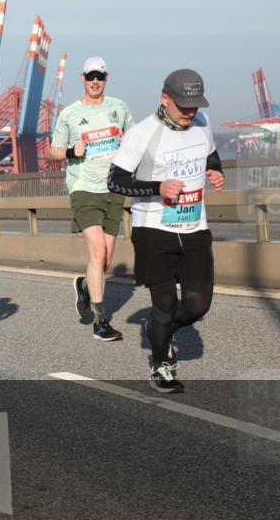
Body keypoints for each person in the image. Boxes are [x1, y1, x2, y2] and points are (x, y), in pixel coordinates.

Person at [108, 69, 224, 394]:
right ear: (164, 98)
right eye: (183, 105)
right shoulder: (142, 134)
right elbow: (116, 181)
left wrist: (215, 172)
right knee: (164, 305)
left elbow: (211, 155)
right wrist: (158, 186)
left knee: (198, 305)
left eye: (195, 105)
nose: (190, 112)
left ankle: (158, 329)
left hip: (195, 227)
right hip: (153, 230)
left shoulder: (202, 124)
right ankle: (162, 365)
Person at [49, 56, 135, 340]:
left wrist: (128, 143)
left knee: (106, 258)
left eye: (100, 76)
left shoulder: (119, 108)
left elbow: (135, 141)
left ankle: (84, 286)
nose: (95, 81)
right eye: (90, 76)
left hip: (112, 189)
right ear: (82, 78)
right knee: (97, 251)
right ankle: (101, 321)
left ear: (106, 78)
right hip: (83, 187)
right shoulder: (69, 114)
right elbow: (53, 152)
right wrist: (72, 152)